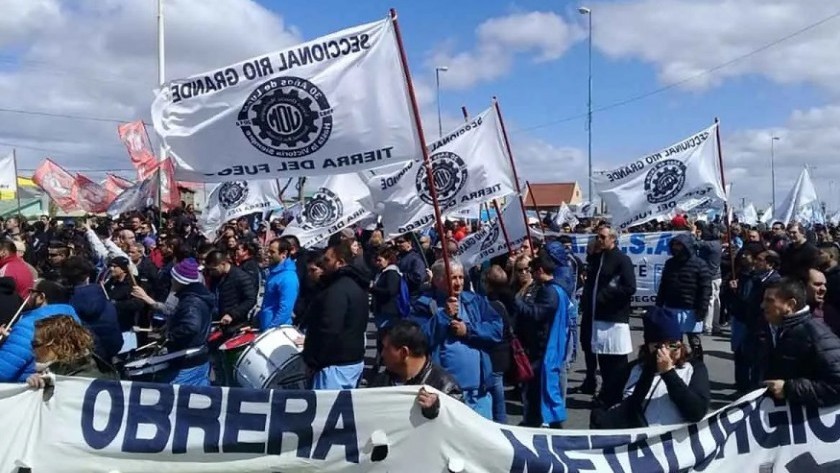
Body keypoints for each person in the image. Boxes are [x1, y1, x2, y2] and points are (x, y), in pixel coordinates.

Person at [411, 258, 502, 419]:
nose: (458, 282)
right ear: (438, 280)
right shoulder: (423, 304)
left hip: (478, 393)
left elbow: (496, 330)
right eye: (453, 277)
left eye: (461, 277)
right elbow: (418, 341)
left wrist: (468, 330)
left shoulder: (474, 301)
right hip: (445, 393)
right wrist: (443, 316)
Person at [596, 308, 709, 427]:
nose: (666, 352)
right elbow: (605, 408)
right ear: (648, 347)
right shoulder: (633, 370)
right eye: (659, 346)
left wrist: (668, 373)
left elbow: (697, 412)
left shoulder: (695, 368)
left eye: (672, 345)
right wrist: (649, 371)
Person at [514, 253, 574, 427]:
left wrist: (517, 302)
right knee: (545, 393)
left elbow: (536, 314)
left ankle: (537, 425)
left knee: (539, 394)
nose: (530, 275)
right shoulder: (558, 289)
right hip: (550, 347)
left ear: (540, 270)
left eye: (532, 271)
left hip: (545, 350)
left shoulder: (549, 291)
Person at [762, 278, 840, 407]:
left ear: (790, 305)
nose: (763, 305)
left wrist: (788, 389)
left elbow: (837, 386)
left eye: (769, 301)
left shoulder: (817, 335)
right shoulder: (779, 328)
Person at [303, 242, 370, 389]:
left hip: (334, 367)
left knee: (323, 410)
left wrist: (313, 361)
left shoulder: (336, 291)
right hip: (352, 361)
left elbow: (328, 330)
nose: (323, 264)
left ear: (340, 263)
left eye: (327, 260)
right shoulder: (356, 286)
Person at [581, 226, 637, 399]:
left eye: (603, 237)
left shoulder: (622, 260)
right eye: (597, 237)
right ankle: (606, 392)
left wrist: (606, 295)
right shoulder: (598, 258)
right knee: (603, 358)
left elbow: (629, 287)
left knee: (616, 360)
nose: (599, 240)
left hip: (613, 317)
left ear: (613, 239)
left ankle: (617, 394)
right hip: (595, 316)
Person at [371, 319, 462, 420]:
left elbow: (457, 425)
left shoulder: (446, 387)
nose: (382, 354)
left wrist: (435, 410)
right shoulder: (381, 382)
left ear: (404, 353)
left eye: (386, 348)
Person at [0, 280, 80, 382]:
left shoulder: (29, 325)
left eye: (31, 292)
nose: (27, 296)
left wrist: (26, 378)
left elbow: (2, 372)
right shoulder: (74, 322)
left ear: (41, 297)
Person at [158, 258, 214, 386]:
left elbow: (191, 326)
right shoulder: (198, 296)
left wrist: (169, 336)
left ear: (180, 280)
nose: (171, 281)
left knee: (178, 398)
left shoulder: (191, 302)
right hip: (198, 358)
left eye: (173, 278)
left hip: (188, 360)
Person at [656, 234, 711, 359]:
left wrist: (702, 309)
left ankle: (697, 365)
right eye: (674, 244)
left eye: (679, 245)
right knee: (674, 341)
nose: (676, 247)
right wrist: (659, 305)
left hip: (691, 309)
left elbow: (705, 288)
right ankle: (676, 362)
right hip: (671, 307)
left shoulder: (700, 264)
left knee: (694, 341)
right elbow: (663, 285)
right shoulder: (670, 263)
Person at [25, 316, 119, 390]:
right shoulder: (62, 374)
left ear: (58, 344)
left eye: (35, 344)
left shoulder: (82, 382)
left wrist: (47, 390)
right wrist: (37, 385)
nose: (32, 349)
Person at [62, 256, 123, 362]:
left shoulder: (67, 301)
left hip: (87, 353)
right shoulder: (101, 295)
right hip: (112, 347)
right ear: (87, 276)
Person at [205, 250, 257, 329]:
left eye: (213, 269)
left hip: (236, 325)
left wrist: (232, 314)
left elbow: (250, 299)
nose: (211, 272)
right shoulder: (215, 277)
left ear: (223, 264)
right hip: (217, 323)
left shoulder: (240, 277)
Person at [258, 238, 299, 330]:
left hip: (276, 330)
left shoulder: (288, 277)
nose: (268, 255)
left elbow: (285, 309)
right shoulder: (273, 273)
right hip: (265, 325)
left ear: (283, 254)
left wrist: (271, 329)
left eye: (272, 252)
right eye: (268, 251)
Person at [369, 246, 403, 331]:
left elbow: (391, 291)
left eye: (380, 260)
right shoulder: (382, 272)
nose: (377, 263)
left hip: (388, 312)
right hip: (382, 311)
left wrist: (373, 288)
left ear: (388, 260)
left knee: (385, 337)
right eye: (376, 260)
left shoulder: (391, 273)